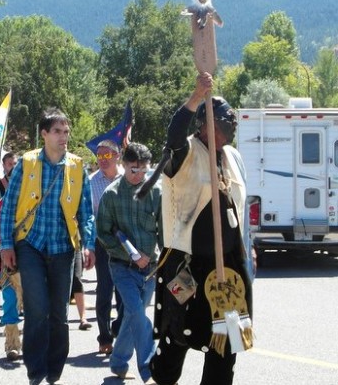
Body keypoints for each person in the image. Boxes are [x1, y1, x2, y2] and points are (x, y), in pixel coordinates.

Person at [146, 73, 253, 385]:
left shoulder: (232, 155)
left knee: (227, 341)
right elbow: (173, 136)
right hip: (187, 265)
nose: (229, 123)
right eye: (221, 118)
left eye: (231, 118)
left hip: (228, 267)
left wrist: (248, 250)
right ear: (203, 124)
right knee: (176, 335)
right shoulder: (184, 153)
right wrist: (195, 97)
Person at [0, 108, 95, 385]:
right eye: (57, 131)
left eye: (66, 131)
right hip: (30, 244)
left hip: (64, 246)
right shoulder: (27, 162)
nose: (64, 136)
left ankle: (55, 371)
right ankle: (36, 371)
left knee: (59, 314)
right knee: (37, 308)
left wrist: (88, 244)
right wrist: (7, 244)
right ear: (44, 134)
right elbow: (8, 208)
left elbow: (86, 211)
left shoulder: (77, 166)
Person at [96, 142, 160, 383]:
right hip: (122, 267)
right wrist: (131, 254)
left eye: (144, 170)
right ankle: (149, 370)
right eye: (134, 170)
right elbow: (103, 233)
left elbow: (163, 229)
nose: (139, 175)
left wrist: (162, 257)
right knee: (136, 313)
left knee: (135, 315)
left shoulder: (156, 191)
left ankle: (118, 362)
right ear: (123, 165)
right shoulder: (111, 194)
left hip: (151, 269)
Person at [89, 139, 125, 355]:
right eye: (99, 156)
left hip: (127, 244)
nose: (102, 160)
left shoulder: (128, 179)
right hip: (103, 244)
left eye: (106, 155)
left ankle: (119, 330)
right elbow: (89, 217)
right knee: (104, 291)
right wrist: (89, 247)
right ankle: (104, 337)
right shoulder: (92, 182)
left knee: (125, 291)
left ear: (117, 156)